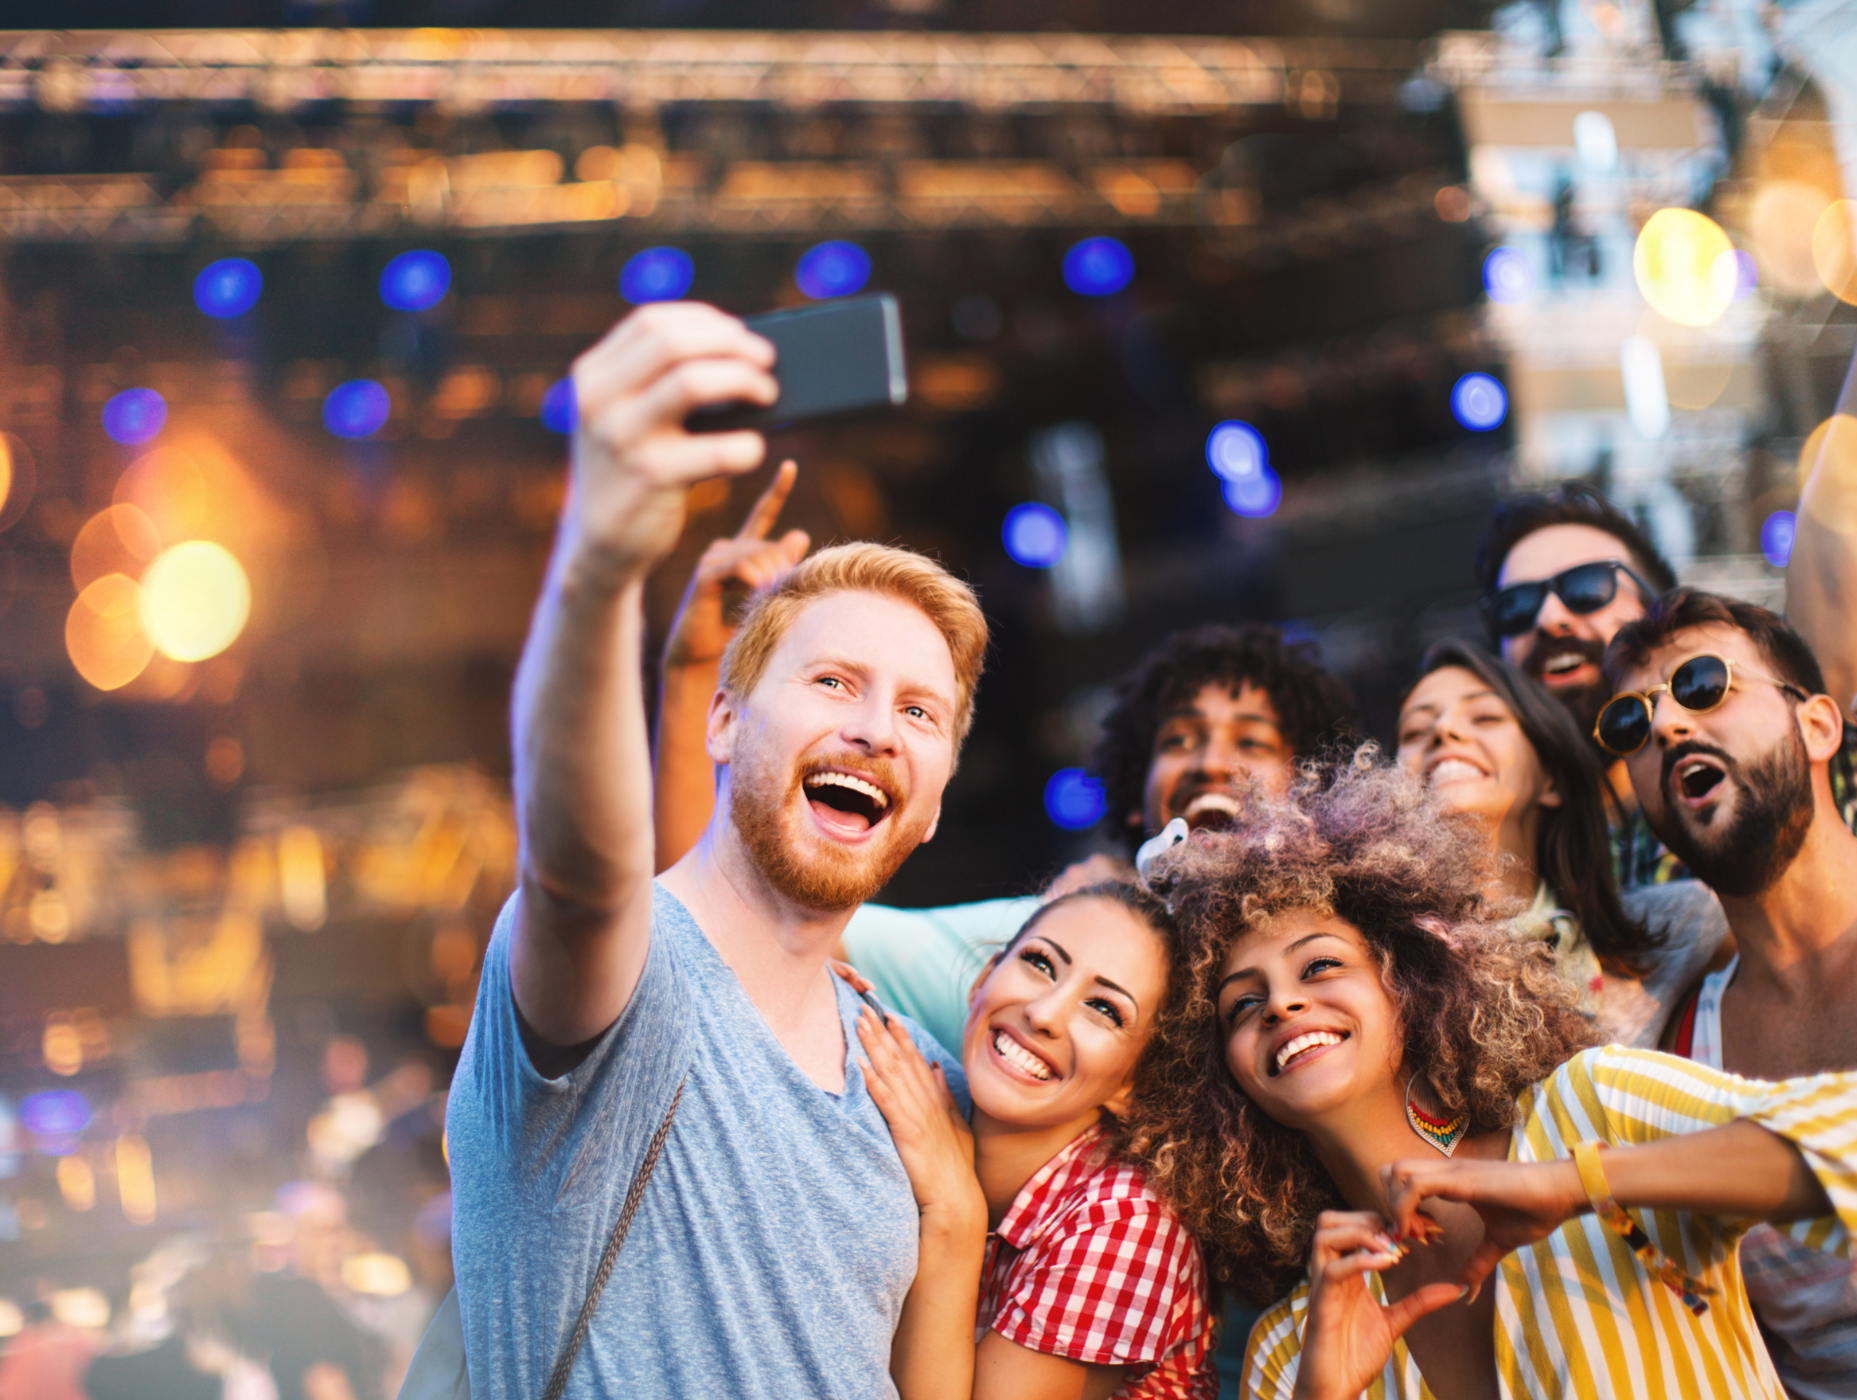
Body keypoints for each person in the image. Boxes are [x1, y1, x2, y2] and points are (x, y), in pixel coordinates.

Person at [447, 301, 988, 1396]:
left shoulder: (912, 1075)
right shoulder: (632, 979)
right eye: (833, 681)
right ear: (725, 721)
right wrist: (600, 565)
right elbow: (575, 872)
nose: (876, 726)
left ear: (930, 805)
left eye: (919, 712)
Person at [1122, 759, 1857, 1400]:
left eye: (1320, 965)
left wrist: (1580, 1182)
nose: (1281, 1004)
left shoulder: (1588, 1107)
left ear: (1408, 980)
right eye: (1241, 1004)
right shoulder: (1290, 1346)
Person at [1474, 0, 1857, 888]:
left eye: (1588, 588)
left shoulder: (1792, 768)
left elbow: (1851, 505)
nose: (1552, 619)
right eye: (1517, 612)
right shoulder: (1510, 880)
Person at [656, 488, 1363, 1049]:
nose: (1209, 761)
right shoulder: (1035, 952)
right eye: (1177, 740)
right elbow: (748, 921)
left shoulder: (1355, 959)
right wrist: (693, 673)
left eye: (1249, 742)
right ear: (1135, 795)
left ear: (1308, 781)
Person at [1600, 585, 1857, 1397]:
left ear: (1817, 724)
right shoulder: (1677, 1056)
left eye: (1703, 684)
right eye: (1631, 724)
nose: (1669, 725)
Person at [852, 883, 1215, 1399]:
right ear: (983, 979)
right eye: (1041, 964)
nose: (1044, 1013)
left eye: (1104, 1009)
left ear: (1136, 1084)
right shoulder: (915, 1102)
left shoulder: (1129, 1222)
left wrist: (955, 1210)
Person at [1394, 639, 1724, 1045]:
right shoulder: (1376, 972)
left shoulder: (1676, 929)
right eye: (1414, 730)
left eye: (1484, 717)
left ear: (1550, 779)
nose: (1443, 731)